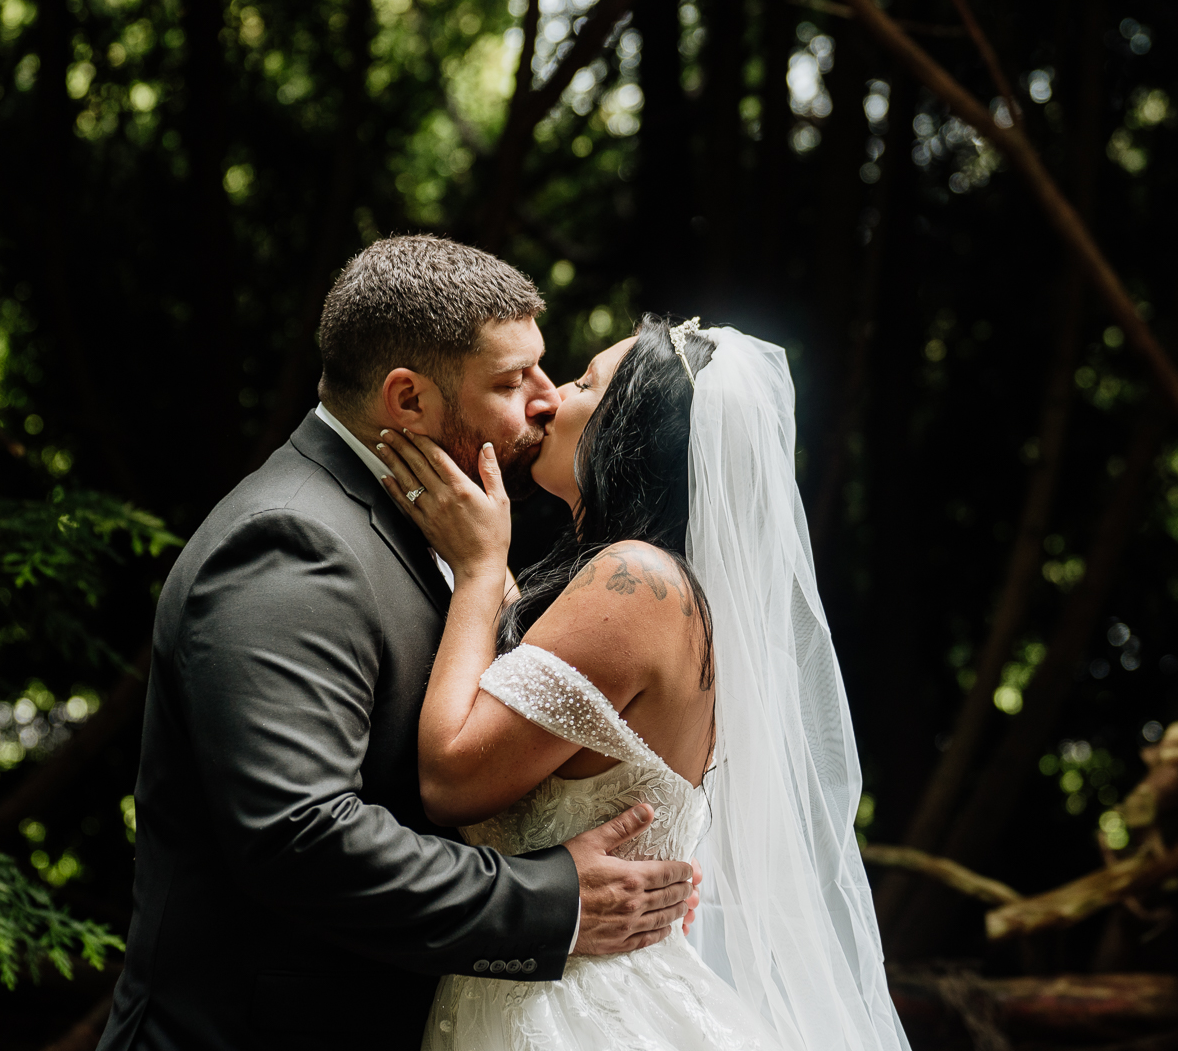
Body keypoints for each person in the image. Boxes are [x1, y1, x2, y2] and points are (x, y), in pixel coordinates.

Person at [95, 237, 699, 1051]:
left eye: (548, 371)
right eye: (510, 381)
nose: (545, 399)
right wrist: (553, 902)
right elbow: (299, 835)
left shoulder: (447, 523)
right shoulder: (291, 542)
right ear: (407, 401)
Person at [376, 315, 911, 1051]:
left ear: (630, 430)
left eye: (585, 384)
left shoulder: (635, 584)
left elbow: (451, 776)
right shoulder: (651, 591)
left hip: (573, 1016)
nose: (550, 397)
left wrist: (474, 571)